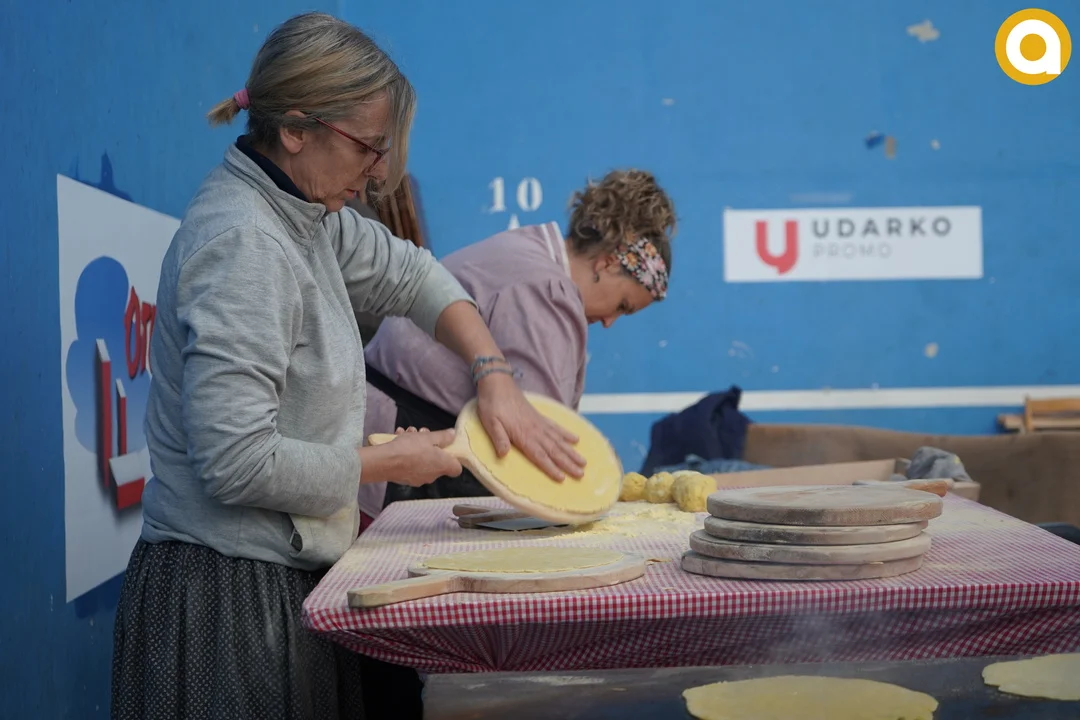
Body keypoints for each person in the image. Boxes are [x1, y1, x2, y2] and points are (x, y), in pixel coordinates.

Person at [110, 12, 583, 720]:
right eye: (368, 147)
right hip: (227, 597)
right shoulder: (245, 244)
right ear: (296, 129)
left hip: (281, 578)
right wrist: (387, 462)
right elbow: (235, 462)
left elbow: (417, 277)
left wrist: (494, 375)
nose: (379, 174)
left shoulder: (308, 214)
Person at [360, 168, 676, 517]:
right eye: (622, 305)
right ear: (608, 261)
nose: (609, 321)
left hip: (376, 423)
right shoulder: (548, 290)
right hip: (394, 449)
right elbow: (538, 438)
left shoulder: (527, 248)